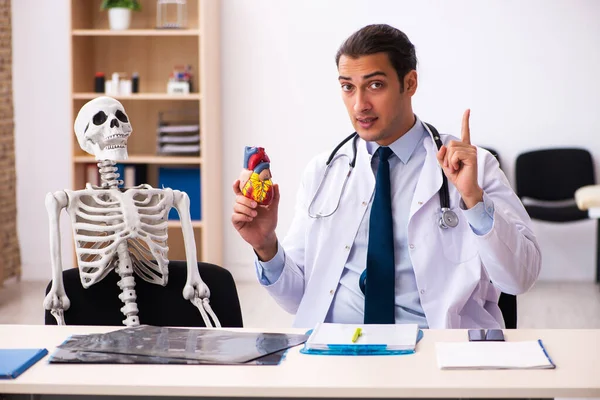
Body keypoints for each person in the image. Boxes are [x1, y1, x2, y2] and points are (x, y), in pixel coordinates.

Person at [231, 24, 541, 329]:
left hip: (435, 353)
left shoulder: (475, 167)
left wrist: (473, 200)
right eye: (348, 87)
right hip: (337, 351)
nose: (359, 105)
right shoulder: (324, 172)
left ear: (409, 83)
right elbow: (299, 298)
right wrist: (265, 245)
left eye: (375, 85)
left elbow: (520, 277)